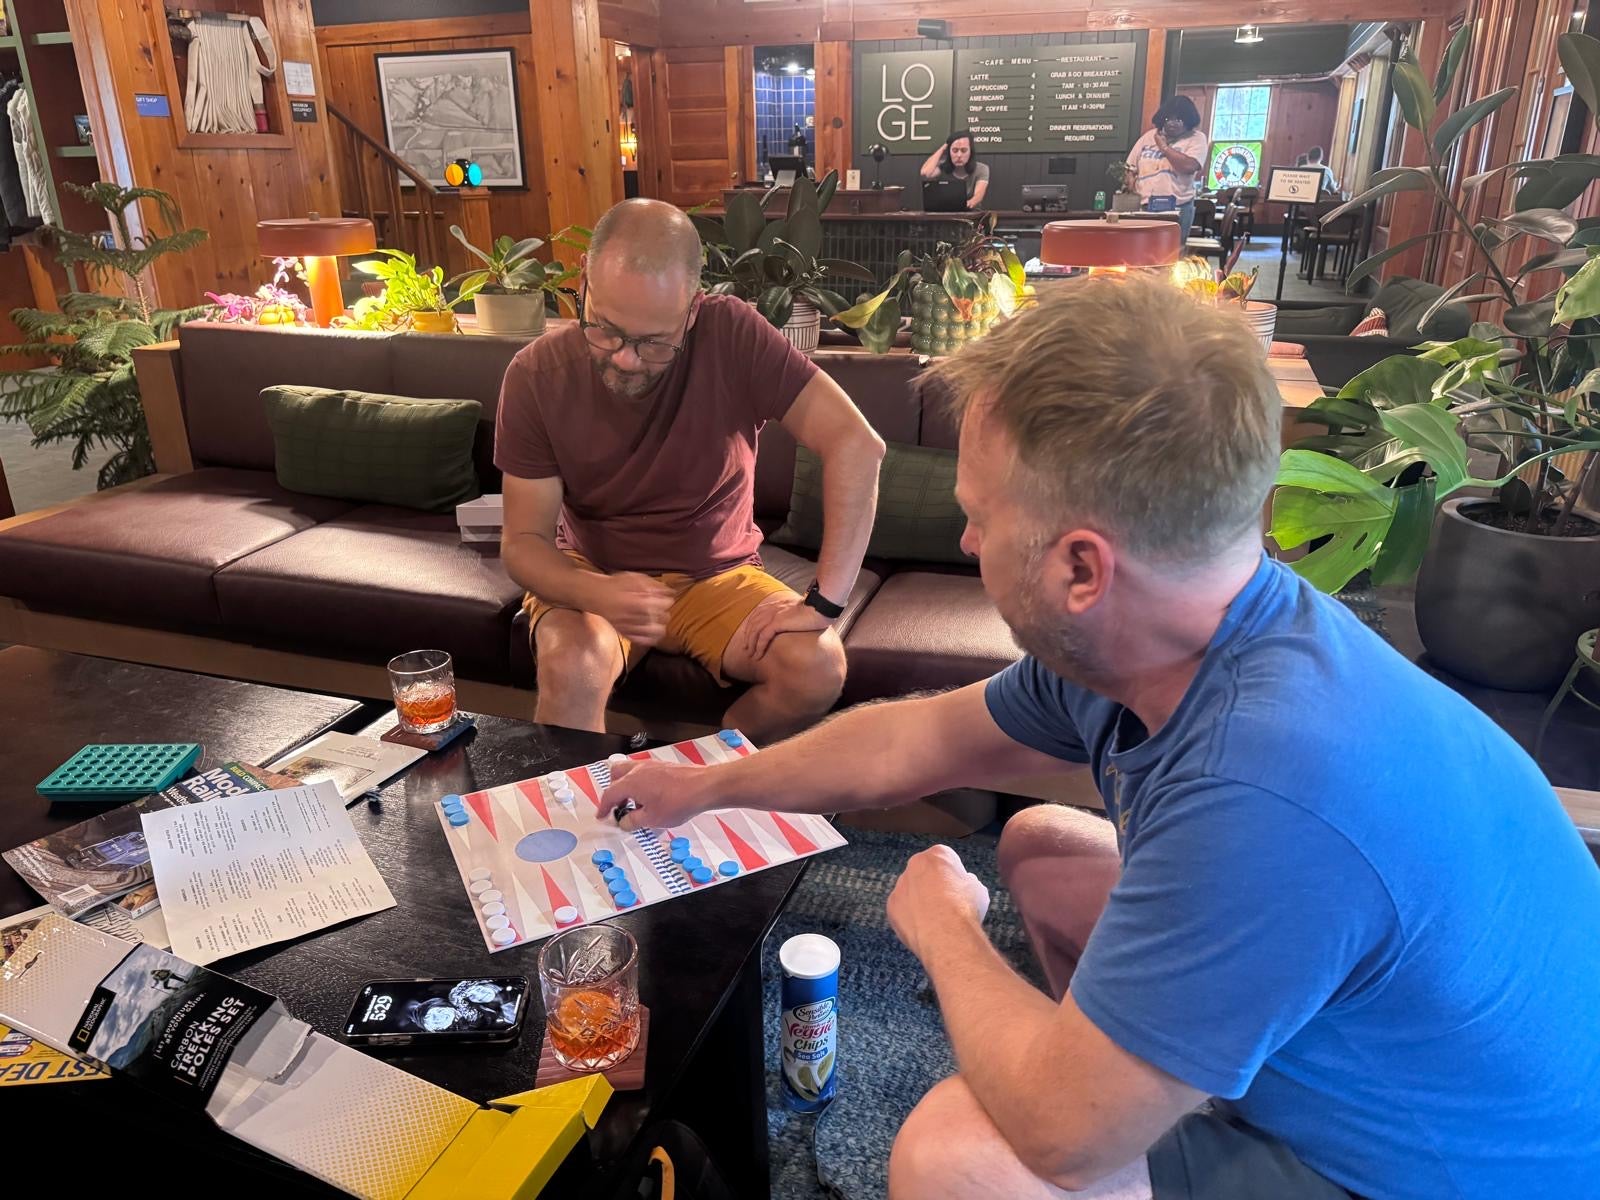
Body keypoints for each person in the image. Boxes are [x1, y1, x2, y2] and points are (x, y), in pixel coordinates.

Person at [604, 273, 1600, 1199]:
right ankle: (1142, 1069)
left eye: (978, 517)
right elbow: (917, 740)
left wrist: (941, 926)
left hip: (1451, 1177)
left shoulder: (1263, 789)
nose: (962, 543)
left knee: (957, 1152)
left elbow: (1055, 1139)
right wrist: (707, 784)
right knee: (1042, 846)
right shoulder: (1190, 635)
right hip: (1391, 1035)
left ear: (1082, 569)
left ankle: (1120, 1085)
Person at [495, 199, 885, 741]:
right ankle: (582, 821)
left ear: (694, 307)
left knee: (816, 669)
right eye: (605, 328)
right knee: (572, 668)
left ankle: (704, 768)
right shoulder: (536, 374)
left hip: (716, 576)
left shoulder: (732, 335)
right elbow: (523, 544)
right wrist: (599, 595)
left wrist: (824, 603)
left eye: (654, 341)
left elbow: (856, 443)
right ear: (584, 282)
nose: (626, 358)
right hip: (594, 569)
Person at [1125, 97, 1208, 242]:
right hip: (1145, 207)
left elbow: (1189, 166)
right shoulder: (1148, 137)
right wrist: (1130, 184)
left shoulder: (1196, 138)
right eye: (1169, 118)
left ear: (1188, 122)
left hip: (1178, 208)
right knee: (1143, 254)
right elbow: (1130, 167)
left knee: (1171, 257)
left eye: (1179, 120)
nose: (1172, 123)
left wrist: (1164, 147)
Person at [920, 130, 989, 209]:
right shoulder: (942, 167)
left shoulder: (981, 169)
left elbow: (978, 196)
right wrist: (943, 148)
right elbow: (925, 173)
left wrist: (963, 205)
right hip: (945, 215)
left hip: (971, 215)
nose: (959, 155)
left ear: (970, 151)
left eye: (964, 150)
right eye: (955, 150)